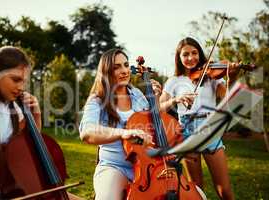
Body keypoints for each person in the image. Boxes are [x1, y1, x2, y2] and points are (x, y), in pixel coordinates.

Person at [0, 46, 80, 200]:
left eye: (24, 81)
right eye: (16, 80)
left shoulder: (15, 108)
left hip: (11, 190)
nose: (21, 87)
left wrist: (36, 116)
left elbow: (27, 151)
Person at [160, 37, 237, 200]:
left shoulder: (212, 77)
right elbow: (159, 108)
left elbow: (229, 100)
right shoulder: (174, 81)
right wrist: (175, 100)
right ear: (179, 58)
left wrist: (232, 78)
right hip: (186, 132)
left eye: (194, 53)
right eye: (185, 54)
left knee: (224, 189)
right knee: (196, 189)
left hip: (209, 128)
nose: (190, 58)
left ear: (200, 54)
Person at [79, 49, 161, 200]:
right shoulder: (97, 100)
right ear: (106, 72)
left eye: (126, 65)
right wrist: (122, 133)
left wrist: (156, 100)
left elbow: (151, 124)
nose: (124, 71)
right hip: (115, 167)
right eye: (117, 67)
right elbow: (87, 132)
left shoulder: (136, 94)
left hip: (147, 167)